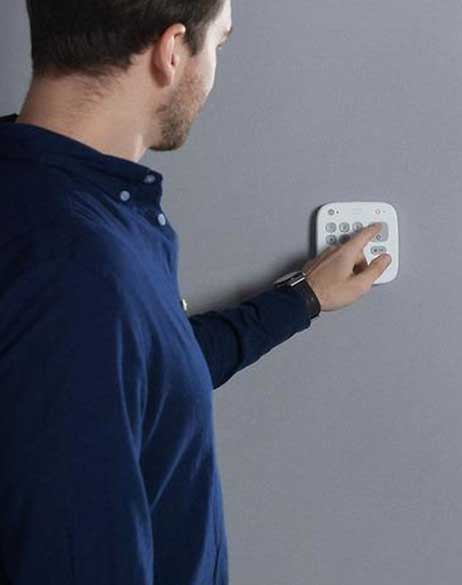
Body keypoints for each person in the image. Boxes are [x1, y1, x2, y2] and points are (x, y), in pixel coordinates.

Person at [0, 1, 391, 584]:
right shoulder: (80, 266)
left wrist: (301, 299)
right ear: (172, 49)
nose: (213, 70)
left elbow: (145, 376)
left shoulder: (70, 210)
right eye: (220, 44)